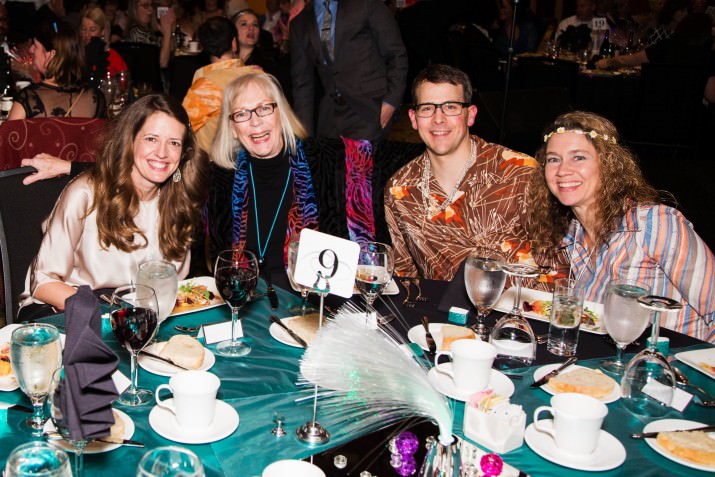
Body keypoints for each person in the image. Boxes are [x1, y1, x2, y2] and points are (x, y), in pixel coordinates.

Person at [527, 111, 715, 342]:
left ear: (608, 165)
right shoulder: (572, 237)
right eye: (554, 159)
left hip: (678, 365)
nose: (563, 170)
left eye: (579, 158)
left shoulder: (654, 224)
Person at [18, 94, 209, 321]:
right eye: (151, 139)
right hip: (67, 308)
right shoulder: (86, 194)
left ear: (183, 152)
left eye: (174, 143)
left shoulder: (178, 202)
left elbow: (169, 287)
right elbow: (43, 283)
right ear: (129, 141)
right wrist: (110, 317)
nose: (162, 152)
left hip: (138, 314)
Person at [384, 64, 541, 281]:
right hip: (439, 313)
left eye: (450, 107)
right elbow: (405, 278)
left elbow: (555, 263)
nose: (438, 119)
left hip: (519, 310)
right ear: (413, 118)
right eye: (427, 108)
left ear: (470, 115)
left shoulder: (518, 172)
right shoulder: (400, 189)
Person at [208, 71, 318, 288]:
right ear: (232, 128)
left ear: (280, 112)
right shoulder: (220, 181)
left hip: (305, 301)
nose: (255, 122)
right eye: (241, 114)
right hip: (242, 297)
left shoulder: (321, 165)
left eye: (264, 108)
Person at [290, 0, 408, 141]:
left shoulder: (366, 4)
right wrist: (304, 138)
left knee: (361, 162)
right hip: (330, 118)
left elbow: (396, 55)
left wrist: (391, 102)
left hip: (370, 109)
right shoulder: (300, 23)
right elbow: (302, 85)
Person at [182, 16, 260, 152]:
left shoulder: (205, 87)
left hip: (216, 166)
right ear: (234, 43)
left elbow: (183, 127)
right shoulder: (258, 75)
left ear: (203, 47)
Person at [7, 22, 106, 120]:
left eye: (36, 46)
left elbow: (11, 135)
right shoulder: (95, 98)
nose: (31, 50)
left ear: (51, 54)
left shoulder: (28, 99)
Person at [80, 6, 129, 79]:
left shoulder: (113, 58)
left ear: (102, 31)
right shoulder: (76, 55)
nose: (87, 35)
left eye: (92, 30)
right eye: (84, 29)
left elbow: (123, 84)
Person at [125, 0, 176, 69]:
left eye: (152, 5)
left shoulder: (152, 31)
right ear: (134, 9)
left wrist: (170, 31)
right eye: (145, 6)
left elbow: (172, 49)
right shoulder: (136, 31)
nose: (151, 9)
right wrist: (167, 33)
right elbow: (161, 63)